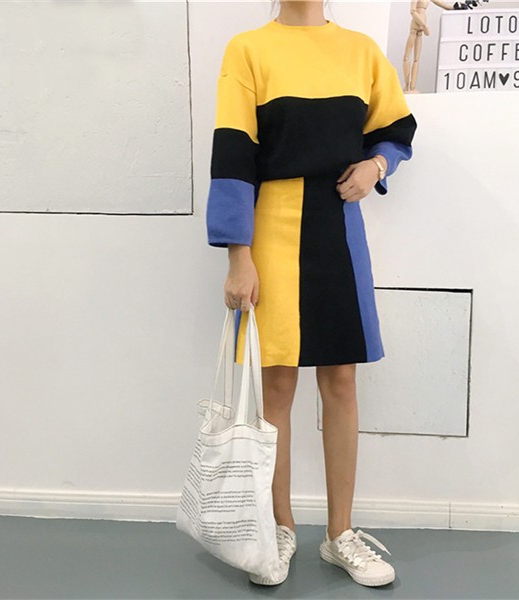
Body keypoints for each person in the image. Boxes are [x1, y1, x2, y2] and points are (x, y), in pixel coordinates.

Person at [205, 0, 417, 588]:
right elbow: (232, 152)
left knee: (341, 379)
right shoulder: (249, 49)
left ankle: (339, 534)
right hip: (271, 229)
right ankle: (279, 529)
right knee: (277, 383)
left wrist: (376, 166)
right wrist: (238, 255)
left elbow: (396, 129)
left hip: (338, 228)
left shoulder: (360, 51)